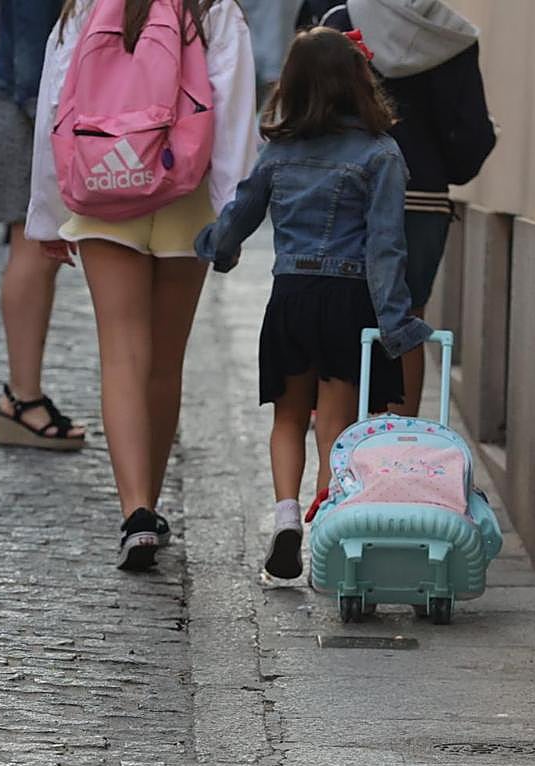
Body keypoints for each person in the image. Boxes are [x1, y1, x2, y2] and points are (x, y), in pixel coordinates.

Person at [195, 27, 433, 581]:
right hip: (348, 300)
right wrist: (396, 324)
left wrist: (216, 248)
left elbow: (239, 216)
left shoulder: (279, 152)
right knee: (335, 422)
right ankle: (327, 522)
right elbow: (386, 248)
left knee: (287, 416)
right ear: (358, 81)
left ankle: (285, 515)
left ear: (293, 85)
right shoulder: (380, 154)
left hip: (290, 297)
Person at [30, 0, 258, 569]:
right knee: (165, 360)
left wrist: (48, 212)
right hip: (186, 193)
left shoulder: (85, 7)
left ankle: (135, 511)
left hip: (104, 182)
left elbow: (54, 105)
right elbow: (234, 115)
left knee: (122, 354)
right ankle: (149, 508)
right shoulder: (212, 9)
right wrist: (232, 216)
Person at [320, 1, 495, 418]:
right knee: (408, 319)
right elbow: (471, 139)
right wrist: (441, 164)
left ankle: (341, 445)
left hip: (349, 195)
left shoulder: (340, 23)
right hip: (422, 199)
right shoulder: (454, 36)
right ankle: (400, 444)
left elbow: (315, 113)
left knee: (342, 317)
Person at [0, 0, 88, 454]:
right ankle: (22, 397)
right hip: (36, 111)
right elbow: (32, 62)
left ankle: (24, 394)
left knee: (35, 252)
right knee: (32, 248)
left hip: (40, 107)